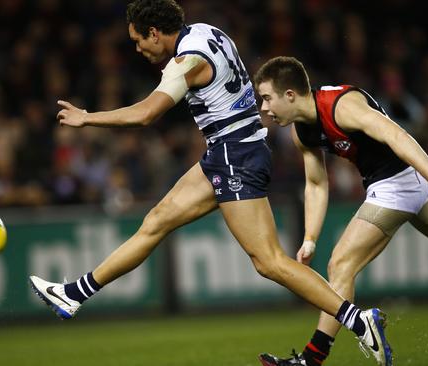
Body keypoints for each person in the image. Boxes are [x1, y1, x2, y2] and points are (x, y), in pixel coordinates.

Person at [29, 1, 392, 365]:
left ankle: (357, 320)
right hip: (230, 150)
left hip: (236, 155)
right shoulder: (207, 31)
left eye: (139, 40)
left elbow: (146, 114)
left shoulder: (185, 62)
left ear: (155, 33)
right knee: (157, 221)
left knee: (268, 261)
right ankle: (74, 293)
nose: (138, 49)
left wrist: (87, 118)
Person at [253, 56, 428, 366]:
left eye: (267, 98)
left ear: (289, 95)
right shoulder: (302, 131)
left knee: (341, 264)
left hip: (396, 182)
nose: (263, 108)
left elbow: (396, 134)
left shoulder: (341, 105)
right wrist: (310, 236)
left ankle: (311, 360)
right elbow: (315, 183)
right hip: (403, 181)